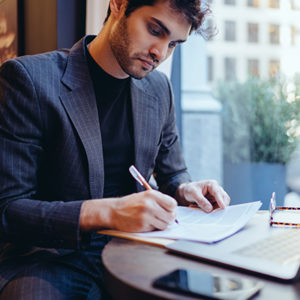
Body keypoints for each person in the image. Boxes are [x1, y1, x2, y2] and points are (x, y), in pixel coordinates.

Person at [0, 0, 230, 298]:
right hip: (53, 258)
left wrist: (187, 189)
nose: (159, 53)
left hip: (138, 253)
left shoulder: (159, 90)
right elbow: (8, 210)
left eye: (173, 43)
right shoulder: (29, 79)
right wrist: (110, 211)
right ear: (119, 4)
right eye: (154, 29)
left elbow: (173, 176)